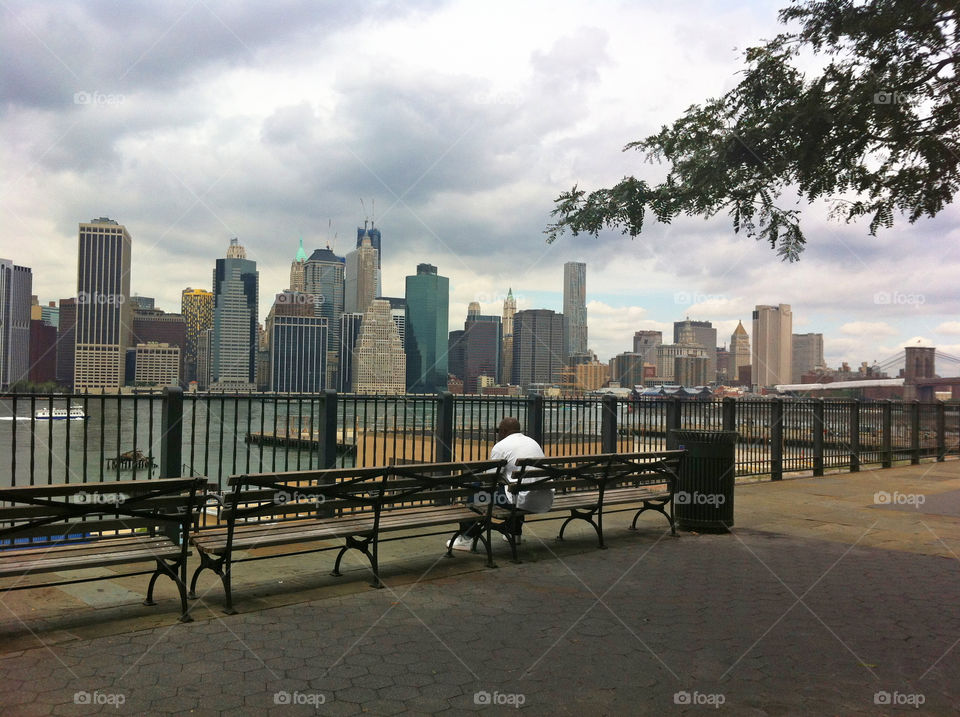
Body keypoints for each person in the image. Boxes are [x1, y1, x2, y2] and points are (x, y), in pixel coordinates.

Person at [447, 417, 553, 551]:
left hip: (520, 500)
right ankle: (514, 533)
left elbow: (490, 480)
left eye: (498, 431)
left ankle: (466, 538)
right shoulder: (533, 442)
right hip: (543, 498)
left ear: (503, 431)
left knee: (475, 492)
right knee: (517, 488)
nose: (497, 434)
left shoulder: (501, 446)